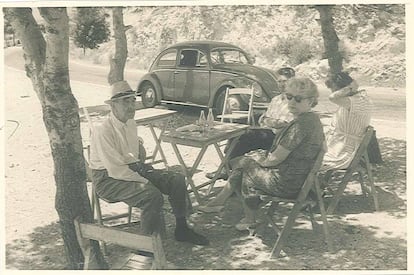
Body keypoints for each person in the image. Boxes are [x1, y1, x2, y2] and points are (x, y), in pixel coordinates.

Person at [89, 80, 209, 246]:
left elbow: (133, 157)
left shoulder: (130, 123)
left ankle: (182, 229)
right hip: (107, 178)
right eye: (125, 102)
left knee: (177, 180)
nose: (131, 106)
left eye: (132, 100)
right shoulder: (103, 131)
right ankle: (146, 247)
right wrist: (146, 180)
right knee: (151, 195)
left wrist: (142, 165)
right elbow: (116, 170)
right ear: (113, 105)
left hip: (130, 169)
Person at [227, 77, 325, 230]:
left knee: (244, 164)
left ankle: (248, 216)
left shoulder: (301, 124)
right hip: (300, 179)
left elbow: (274, 159)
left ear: (311, 101)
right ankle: (228, 203)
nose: (292, 102)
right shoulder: (312, 119)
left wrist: (257, 159)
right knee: (248, 159)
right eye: (289, 97)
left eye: (298, 99)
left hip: (286, 184)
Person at [199, 67, 295, 213]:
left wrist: (271, 121)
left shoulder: (293, 102)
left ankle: (227, 169)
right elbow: (264, 118)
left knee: (246, 136)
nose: (282, 85)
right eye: (279, 81)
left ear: (292, 82)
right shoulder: (275, 100)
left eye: (285, 82)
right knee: (238, 135)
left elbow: (285, 125)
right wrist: (271, 121)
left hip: (278, 138)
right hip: (268, 131)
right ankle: (227, 168)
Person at [320, 71, 373, 172]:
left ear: (343, 89)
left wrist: (351, 87)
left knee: (302, 161)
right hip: (338, 147)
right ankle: (311, 186)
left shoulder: (358, 101)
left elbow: (332, 98)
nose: (332, 92)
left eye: (334, 90)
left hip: (342, 152)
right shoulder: (355, 99)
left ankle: (305, 187)